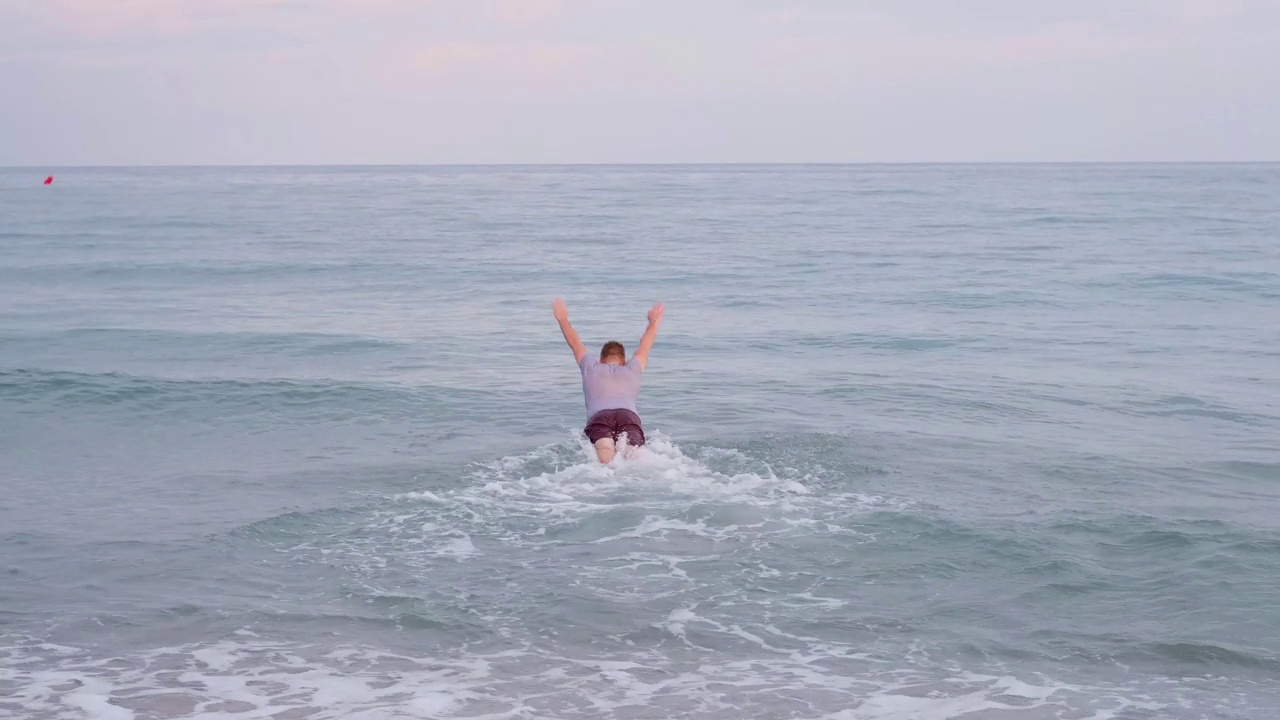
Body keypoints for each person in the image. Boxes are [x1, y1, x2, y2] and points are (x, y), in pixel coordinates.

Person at [552, 298, 664, 463]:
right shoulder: (633, 366)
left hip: (600, 417)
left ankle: (609, 473)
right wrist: (653, 322)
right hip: (628, 417)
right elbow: (645, 344)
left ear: (601, 359)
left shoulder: (591, 366)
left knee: (604, 447)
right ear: (624, 359)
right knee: (634, 451)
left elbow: (574, 342)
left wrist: (562, 318)